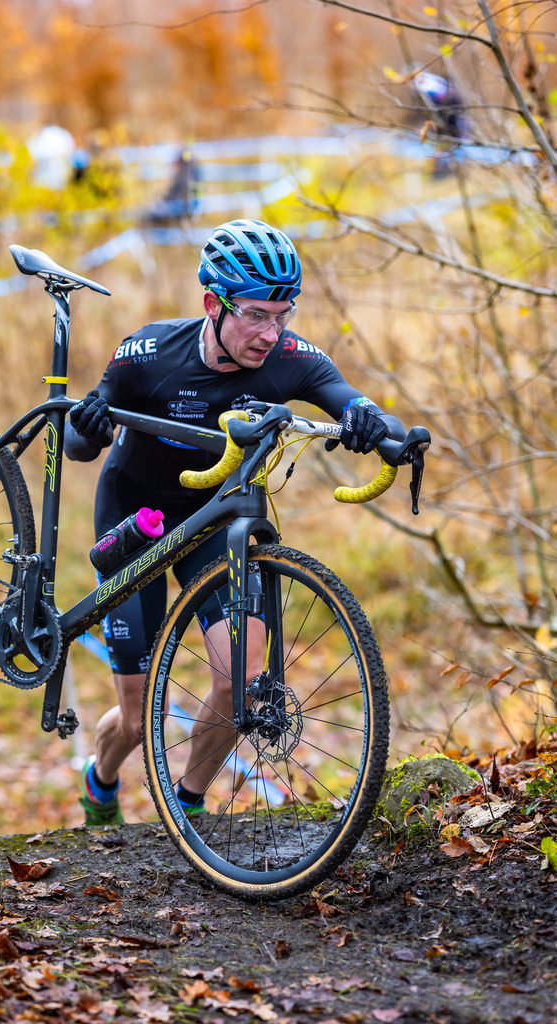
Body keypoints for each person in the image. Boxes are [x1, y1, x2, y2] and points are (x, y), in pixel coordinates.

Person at [64, 218, 406, 826]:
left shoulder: (293, 357)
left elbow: (349, 398)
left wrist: (373, 426)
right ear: (211, 305)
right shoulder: (149, 354)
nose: (270, 333)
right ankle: (102, 777)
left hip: (211, 519)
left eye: (283, 314)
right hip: (134, 516)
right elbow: (77, 446)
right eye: (255, 315)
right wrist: (86, 429)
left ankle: (186, 811)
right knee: (139, 713)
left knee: (239, 681)